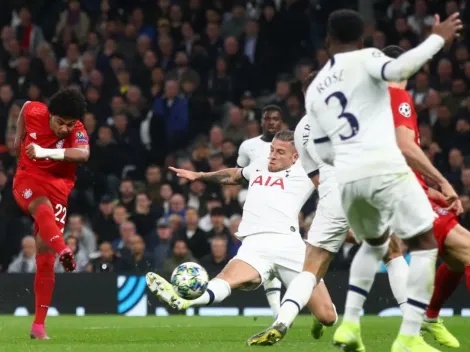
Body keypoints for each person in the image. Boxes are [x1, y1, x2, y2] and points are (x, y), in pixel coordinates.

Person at [292, 9, 459, 352]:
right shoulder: (367, 58)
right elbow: (399, 69)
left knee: (375, 244)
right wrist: (437, 39)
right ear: (363, 40)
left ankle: (350, 325)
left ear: (327, 41)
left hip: (347, 178)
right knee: (425, 243)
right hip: (383, 166)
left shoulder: (315, 90)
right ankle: (410, 336)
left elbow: (323, 151)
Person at [249, 71, 408, 346]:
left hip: (331, 195)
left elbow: (317, 180)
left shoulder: (301, 129)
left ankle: (281, 322)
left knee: (311, 268)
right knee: (393, 252)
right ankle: (414, 322)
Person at [146, 131, 337, 338]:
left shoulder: (308, 172)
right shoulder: (259, 166)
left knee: (327, 317)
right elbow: (233, 175)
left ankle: (317, 321)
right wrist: (199, 176)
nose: (272, 155)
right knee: (224, 281)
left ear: (295, 157)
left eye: (280, 152)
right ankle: (184, 300)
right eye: (272, 150)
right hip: (254, 245)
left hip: (290, 245)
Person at [383, 45, 469, 348]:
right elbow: (406, 148)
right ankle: (419, 323)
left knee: (457, 260)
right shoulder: (397, 97)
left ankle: (428, 318)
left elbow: (399, 158)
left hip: (407, 191)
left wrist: (432, 190)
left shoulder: (378, 102)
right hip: (400, 195)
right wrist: (444, 181)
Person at [12, 88, 89, 340]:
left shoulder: (77, 128)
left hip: (59, 186)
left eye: (70, 124)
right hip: (28, 178)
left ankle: (38, 327)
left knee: (44, 259)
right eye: (60, 122)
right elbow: (24, 106)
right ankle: (64, 250)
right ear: (50, 114)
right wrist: (18, 137)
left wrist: (45, 152)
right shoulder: (36, 110)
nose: (65, 129)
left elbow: (83, 154)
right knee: (41, 207)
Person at [236, 104, 285, 319]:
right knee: (267, 257)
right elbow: (240, 173)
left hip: (284, 207)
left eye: (275, 119)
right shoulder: (248, 146)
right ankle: (278, 312)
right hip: (257, 208)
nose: (271, 122)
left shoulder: (292, 146)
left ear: (281, 121)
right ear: (261, 121)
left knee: (281, 257)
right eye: (268, 118)